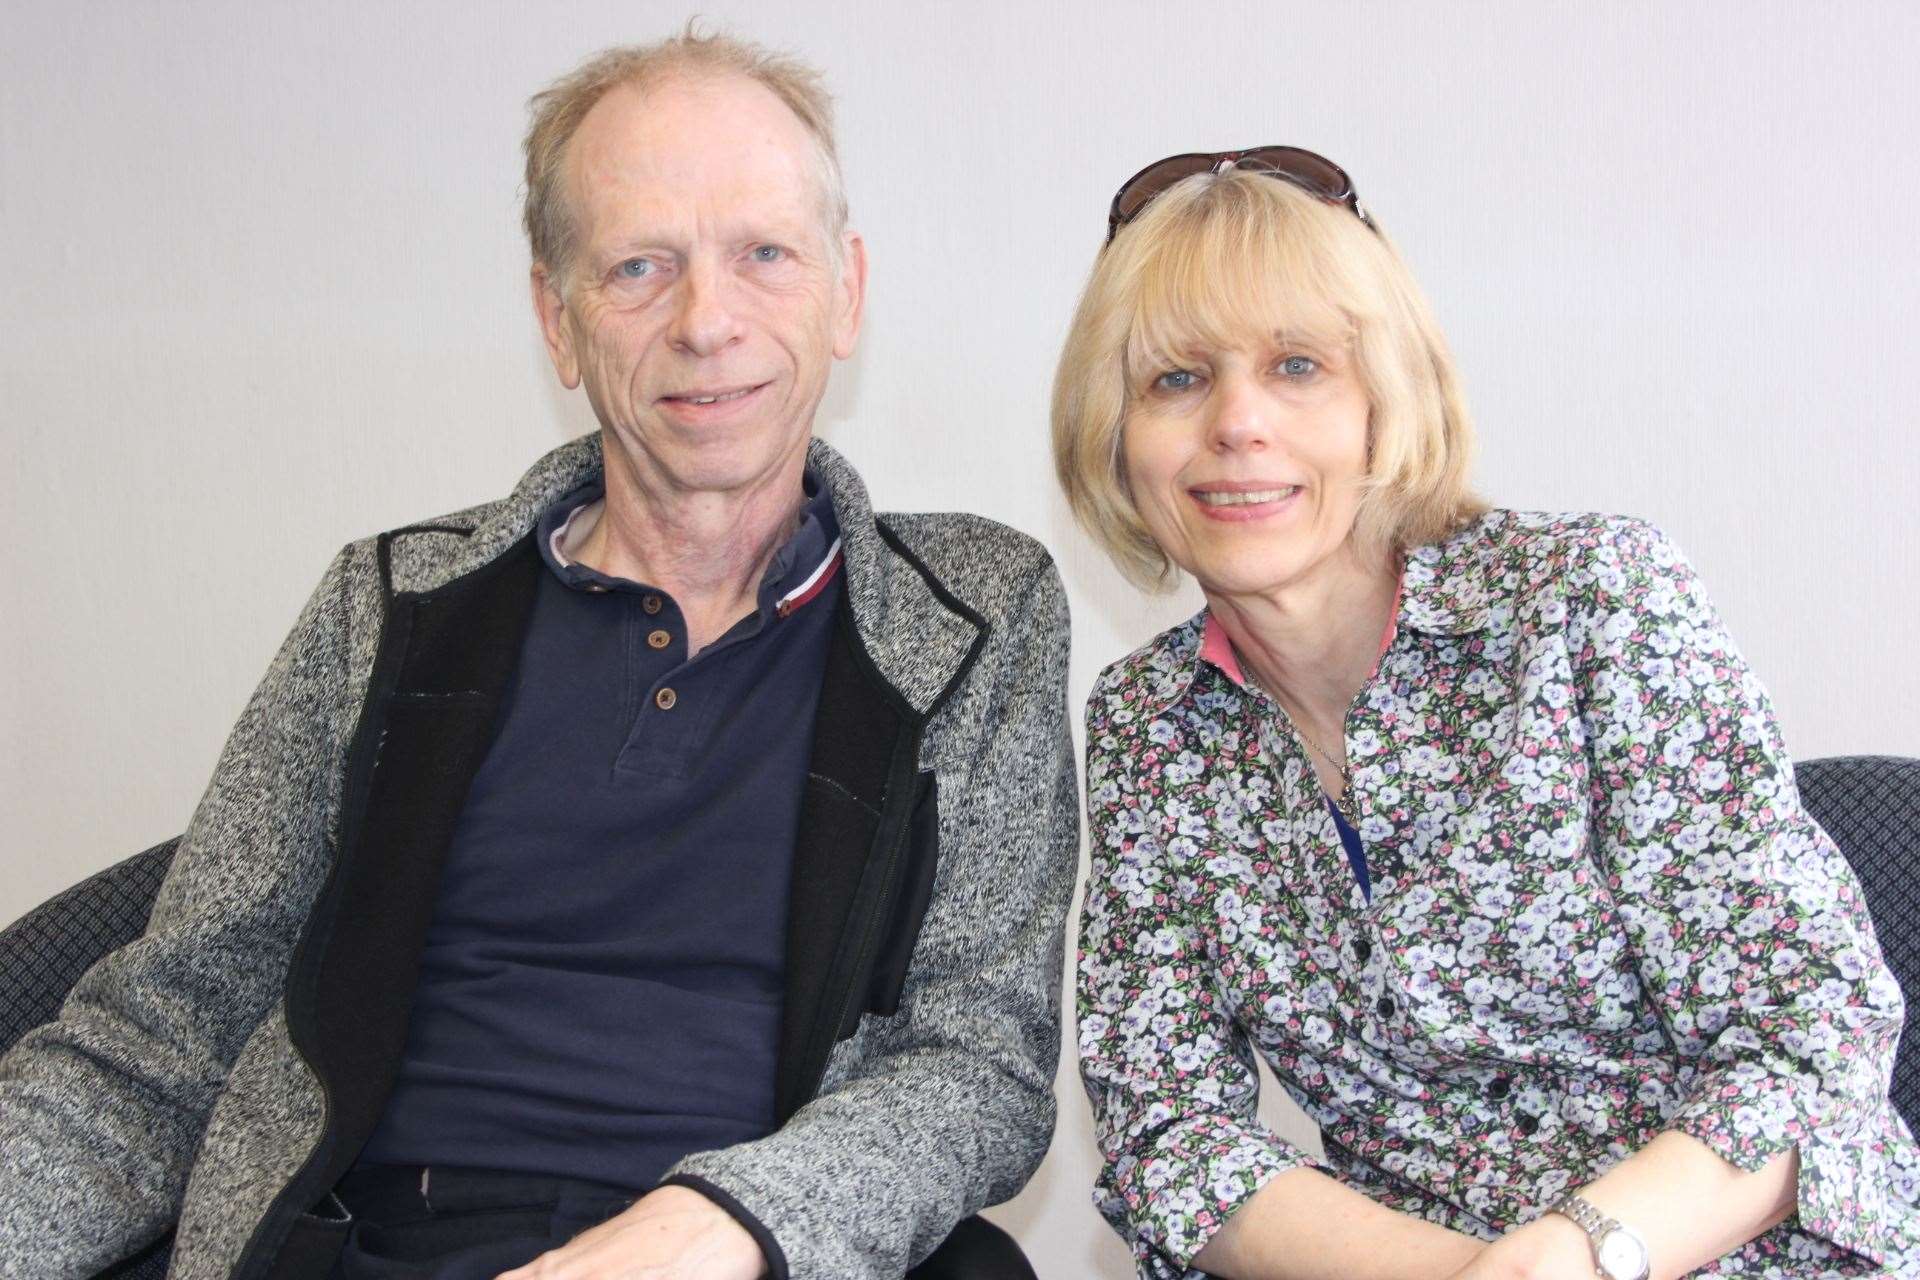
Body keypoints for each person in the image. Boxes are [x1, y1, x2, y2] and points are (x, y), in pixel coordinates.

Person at [0, 30, 1077, 1280]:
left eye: (764, 254)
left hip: (747, 1250)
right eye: (638, 266)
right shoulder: (391, 604)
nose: (706, 320)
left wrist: (726, 1223)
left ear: (846, 291)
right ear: (557, 320)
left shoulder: (974, 618)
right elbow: (160, 1038)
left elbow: (978, 1064)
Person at [1054, 148, 1918, 1280]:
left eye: (1299, 365)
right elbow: (1171, 1137)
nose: (1238, 422)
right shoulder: (1145, 722)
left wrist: (1567, 1258)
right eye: (1176, 379)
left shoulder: (1591, 600)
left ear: (1384, 398)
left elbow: (1809, 1041)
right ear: (1116, 434)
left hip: (1723, 1245)